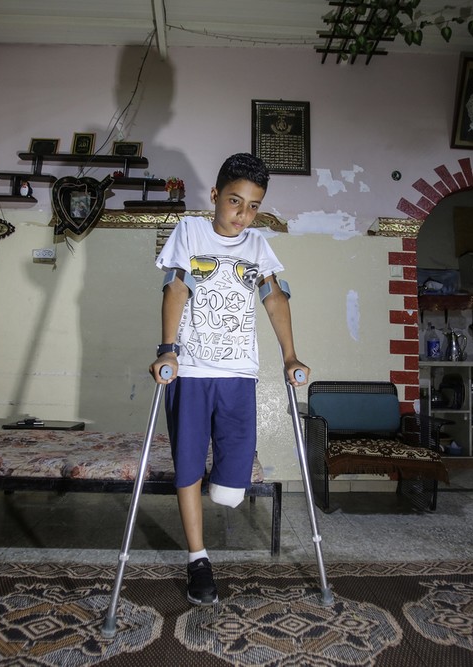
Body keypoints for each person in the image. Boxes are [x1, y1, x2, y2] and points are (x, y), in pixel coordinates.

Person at [150, 152, 309, 605]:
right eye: (235, 202)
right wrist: (167, 349)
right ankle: (198, 558)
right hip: (192, 372)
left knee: (231, 487)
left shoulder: (258, 245)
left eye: (254, 206)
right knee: (187, 463)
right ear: (216, 196)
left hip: (239, 373)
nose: (243, 214)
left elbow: (275, 299)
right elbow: (176, 286)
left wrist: (291, 356)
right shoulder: (191, 232)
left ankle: (216, 511)